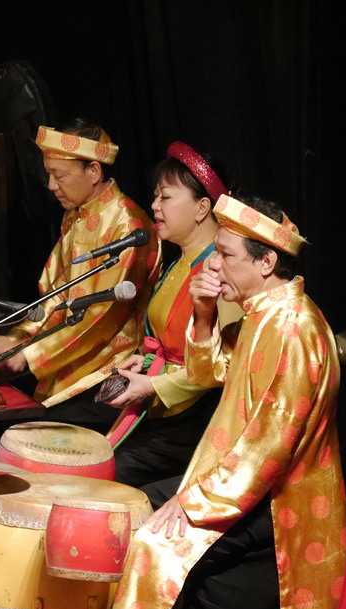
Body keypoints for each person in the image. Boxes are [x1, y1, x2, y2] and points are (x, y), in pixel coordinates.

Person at [82, 193, 346, 609]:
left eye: (226, 255)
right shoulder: (263, 314)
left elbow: (270, 447)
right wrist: (204, 315)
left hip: (279, 505)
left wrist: (197, 503)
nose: (214, 265)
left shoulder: (294, 329)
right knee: (141, 508)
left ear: (267, 262)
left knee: (161, 542)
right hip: (241, 483)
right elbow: (213, 371)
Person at [0, 118, 159, 432]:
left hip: (108, 370)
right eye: (49, 174)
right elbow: (58, 295)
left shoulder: (128, 225)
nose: (51, 185)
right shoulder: (76, 215)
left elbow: (102, 315)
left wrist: (30, 355)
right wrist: (18, 339)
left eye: (59, 175)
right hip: (65, 360)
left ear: (93, 172)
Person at [106, 141, 242, 502]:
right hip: (167, 413)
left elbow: (226, 367)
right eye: (155, 197)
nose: (154, 206)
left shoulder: (220, 269)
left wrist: (153, 386)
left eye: (165, 197)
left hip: (196, 422)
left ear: (202, 208)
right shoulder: (180, 261)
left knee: (105, 477)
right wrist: (146, 361)